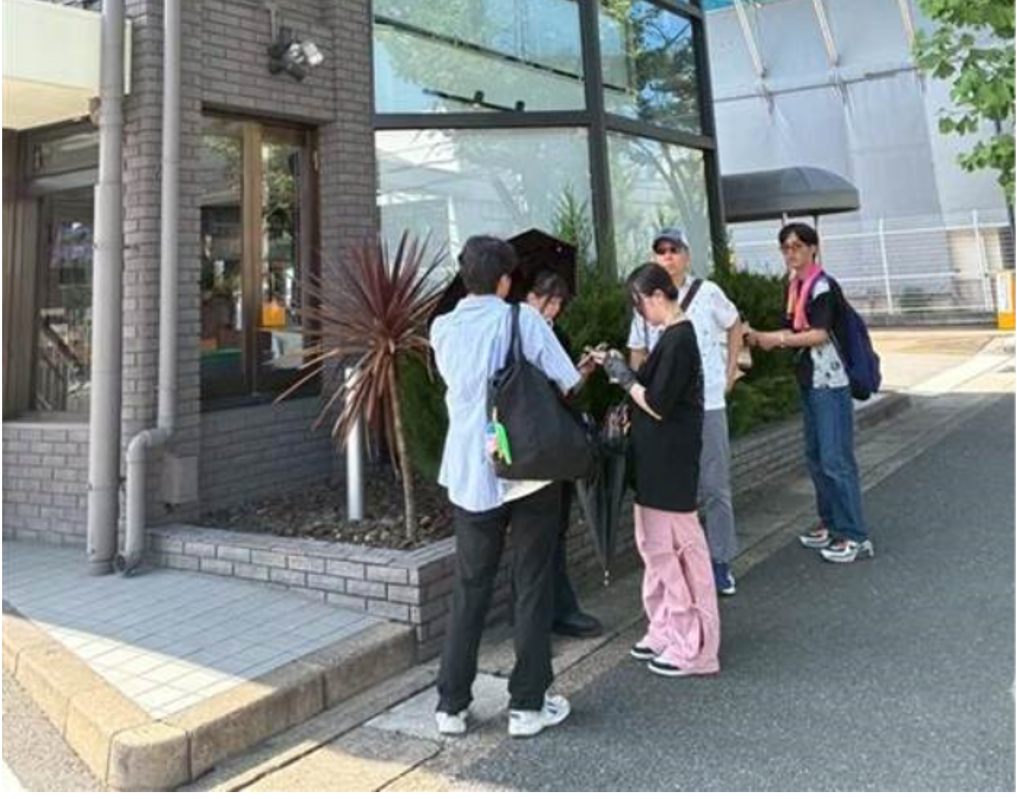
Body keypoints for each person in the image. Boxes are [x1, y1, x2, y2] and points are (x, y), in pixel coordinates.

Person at [431, 237, 595, 740]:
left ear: (466, 277)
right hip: (527, 468)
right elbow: (567, 381)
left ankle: (451, 706)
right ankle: (527, 705)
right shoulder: (523, 320)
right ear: (505, 280)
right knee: (532, 583)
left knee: (470, 586)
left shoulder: (441, 328)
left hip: (468, 470)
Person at [596, 263, 721, 679]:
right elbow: (651, 390)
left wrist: (623, 377)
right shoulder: (672, 337)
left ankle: (694, 646)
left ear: (654, 296)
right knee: (656, 552)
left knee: (675, 555)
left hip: (669, 464)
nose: (640, 313)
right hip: (657, 463)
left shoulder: (679, 338)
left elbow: (656, 402)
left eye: (639, 304)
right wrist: (621, 368)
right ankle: (667, 628)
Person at [746, 223, 873, 565]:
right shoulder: (796, 286)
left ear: (814, 248)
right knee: (817, 457)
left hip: (831, 382)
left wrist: (776, 339)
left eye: (798, 246)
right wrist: (761, 336)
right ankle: (832, 524)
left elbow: (818, 333)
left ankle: (855, 536)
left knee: (835, 459)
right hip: (811, 380)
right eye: (785, 247)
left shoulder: (821, 286)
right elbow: (796, 329)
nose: (791, 253)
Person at [629, 228, 744, 597]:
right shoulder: (645, 301)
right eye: (660, 251)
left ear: (687, 255)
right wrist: (637, 388)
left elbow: (735, 323)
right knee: (681, 491)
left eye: (674, 249)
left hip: (707, 404)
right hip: (667, 412)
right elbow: (637, 350)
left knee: (715, 485)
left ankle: (720, 561)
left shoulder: (707, 292)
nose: (668, 256)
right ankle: (688, 564)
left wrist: (730, 371)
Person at [526, 272, 604, 640]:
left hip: (550, 438)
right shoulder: (520, 332)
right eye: (546, 298)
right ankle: (552, 612)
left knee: (554, 527)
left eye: (558, 301)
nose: (552, 308)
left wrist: (581, 371)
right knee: (542, 530)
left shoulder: (554, 333)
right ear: (527, 296)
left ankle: (554, 609)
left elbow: (568, 387)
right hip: (535, 441)